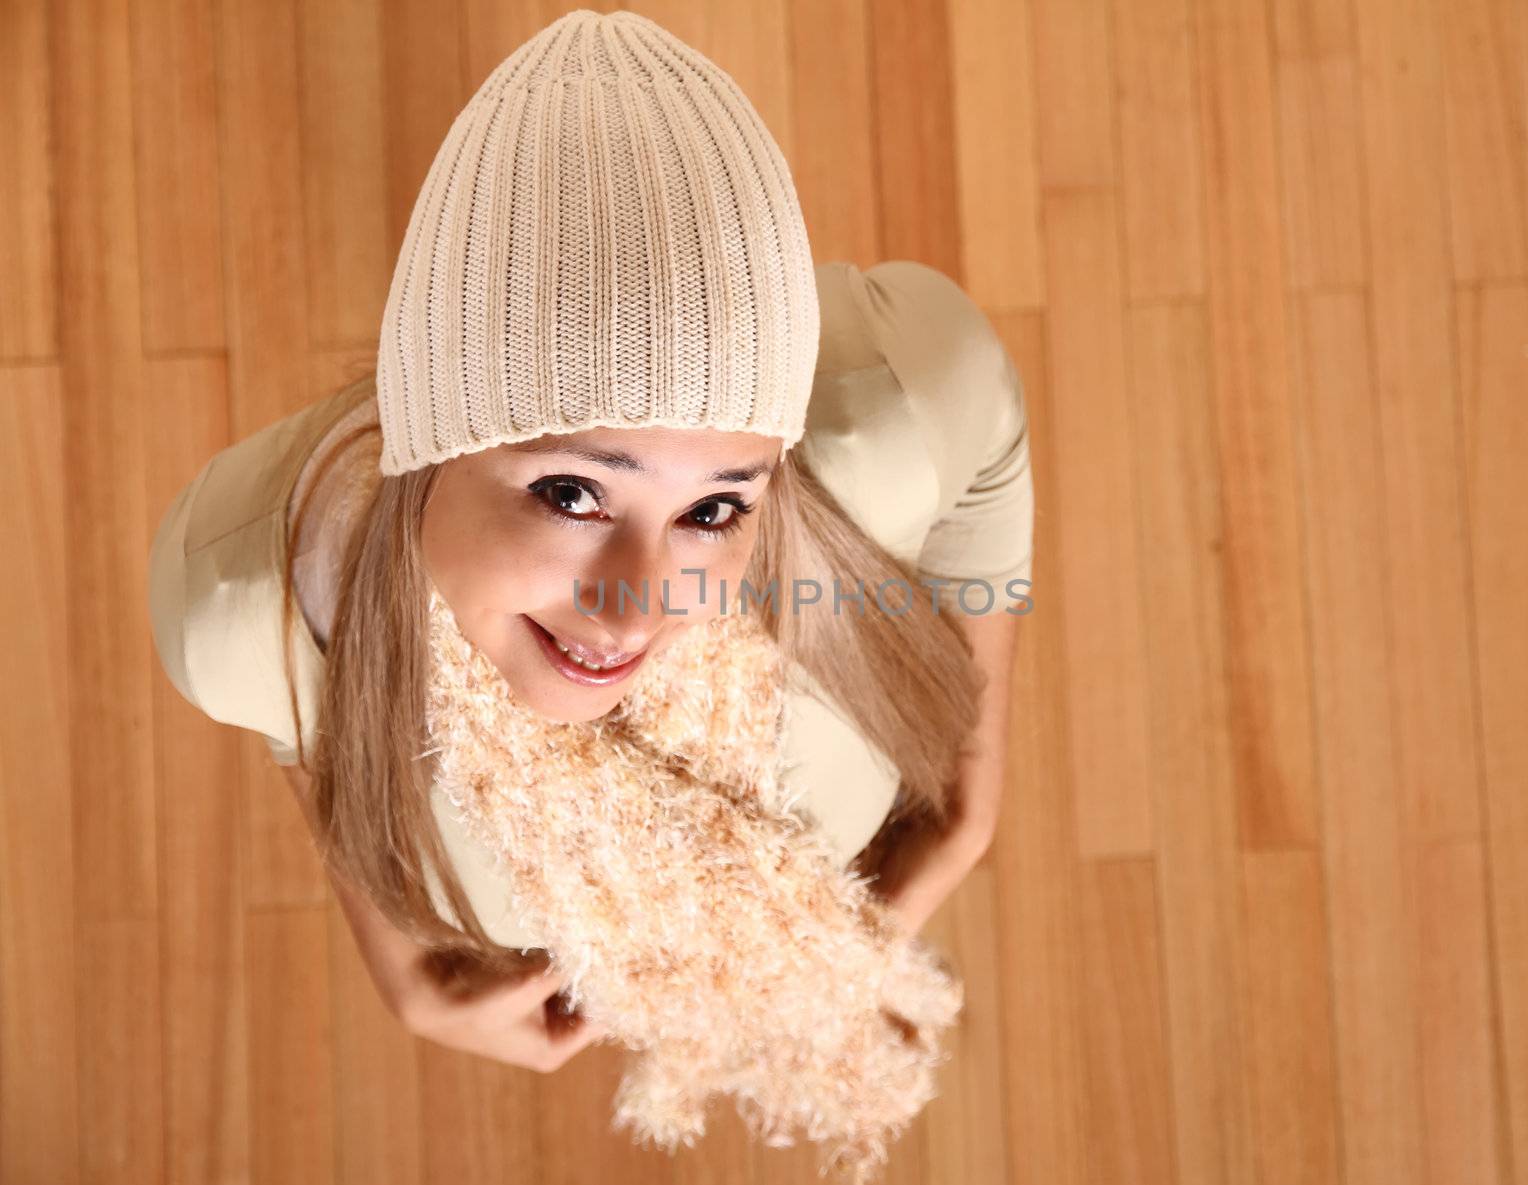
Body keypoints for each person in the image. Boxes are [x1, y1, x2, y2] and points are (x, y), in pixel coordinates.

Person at [146, 8, 1033, 1081]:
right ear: (427, 450)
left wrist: (970, 798)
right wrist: (402, 968)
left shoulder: (884, 416)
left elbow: (987, 438)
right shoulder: (240, 600)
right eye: (570, 491)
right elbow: (301, 717)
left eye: (713, 508)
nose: (637, 609)